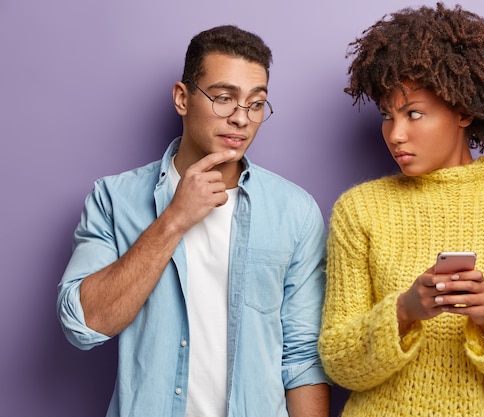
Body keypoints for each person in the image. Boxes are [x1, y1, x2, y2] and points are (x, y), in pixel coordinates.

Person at [57, 25, 330, 417]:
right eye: (223, 98)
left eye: (256, 104)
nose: (241, 118)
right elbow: (83, 325)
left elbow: (302, 358)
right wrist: (174, 219)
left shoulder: (295, 211)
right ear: (182, 98)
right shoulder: (114, 199)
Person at [318, 3, 484, 416]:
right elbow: (340, 363)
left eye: (414, 113)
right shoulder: (359, 210)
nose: (395, 134)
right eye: (387, 115)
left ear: (463, 110)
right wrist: (404, 311)